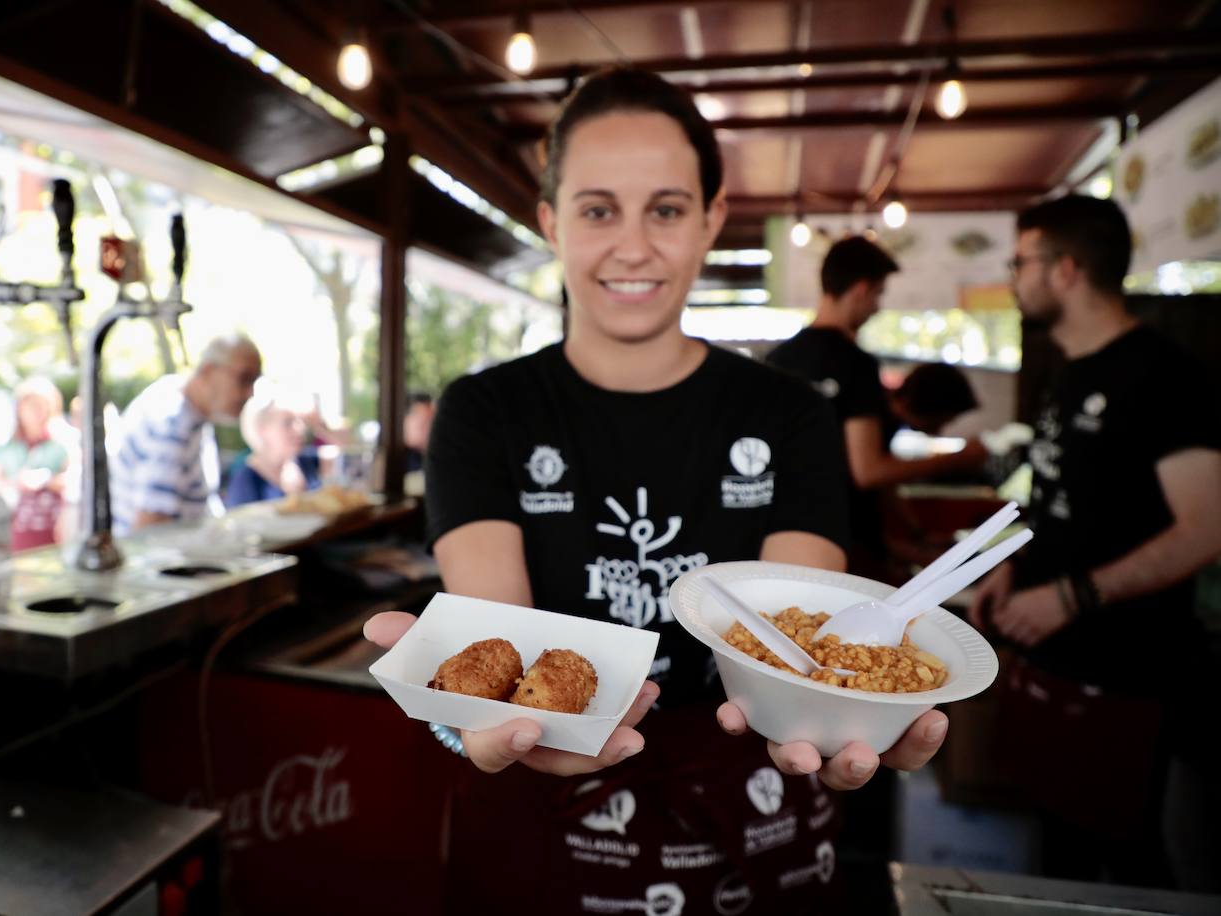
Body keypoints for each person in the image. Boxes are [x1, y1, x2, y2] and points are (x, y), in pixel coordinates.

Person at [363, 68, 947, 914]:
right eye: (598, 210)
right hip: (547, 817)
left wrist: (851, 704)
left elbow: (801, 640)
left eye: (667, 210)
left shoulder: (790, 415)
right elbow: (497, 646)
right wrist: (463, 720)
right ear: (551, 223)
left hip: (755, 805)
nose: (632, 246)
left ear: (710, 220)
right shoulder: (482, 413)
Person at [969, 194, 1221, 887]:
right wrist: (1008, 564)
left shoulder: (1164, 377)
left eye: (1020, 261)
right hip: (1052, 667)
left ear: (1066, 269)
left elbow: (1207, 529)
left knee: (1131, 871)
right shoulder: (1067, 371)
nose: (1012, 276)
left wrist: (1073, 596)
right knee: (1059, 858)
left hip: (1129, 679)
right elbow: (1054, 499)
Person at [766, 238, 988, 579]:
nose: (877, 307)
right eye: (878, 295)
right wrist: (960, 458)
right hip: (844, 544)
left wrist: (913, 535)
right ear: (861, 290)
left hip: (783, 540)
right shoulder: (856, 364)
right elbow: (868, 470)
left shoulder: (777, 361)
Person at [111, 334, 261, 535]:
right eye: (244, 379)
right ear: (208, 371)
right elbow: (148, 531)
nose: (249, 393)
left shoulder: (184, 406)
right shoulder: (172, 426)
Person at [0, 376, 69, 551]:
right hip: (20, 525)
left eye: (41, 405)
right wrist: (18, 483)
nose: (36, 411)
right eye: (30, 405)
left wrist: (46, 480)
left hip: (57, 525)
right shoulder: (8, 445)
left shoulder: (62, 442)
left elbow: (74, 479)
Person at [223, 386, 320, 508]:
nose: (299, 429)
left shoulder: (308, 461)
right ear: (262, 429)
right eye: (288, 423)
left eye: (299, 421)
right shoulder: (245, 483)